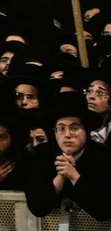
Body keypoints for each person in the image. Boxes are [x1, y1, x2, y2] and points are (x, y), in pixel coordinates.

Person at [26, 92, 111, 220]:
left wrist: (74, 176)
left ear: (86, 131)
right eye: (61, 128)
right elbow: (37, 208)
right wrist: (60, 177)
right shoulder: (43, 154)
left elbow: (103, 212)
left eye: (74, 128)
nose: (67, 134)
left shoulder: (103, 156)